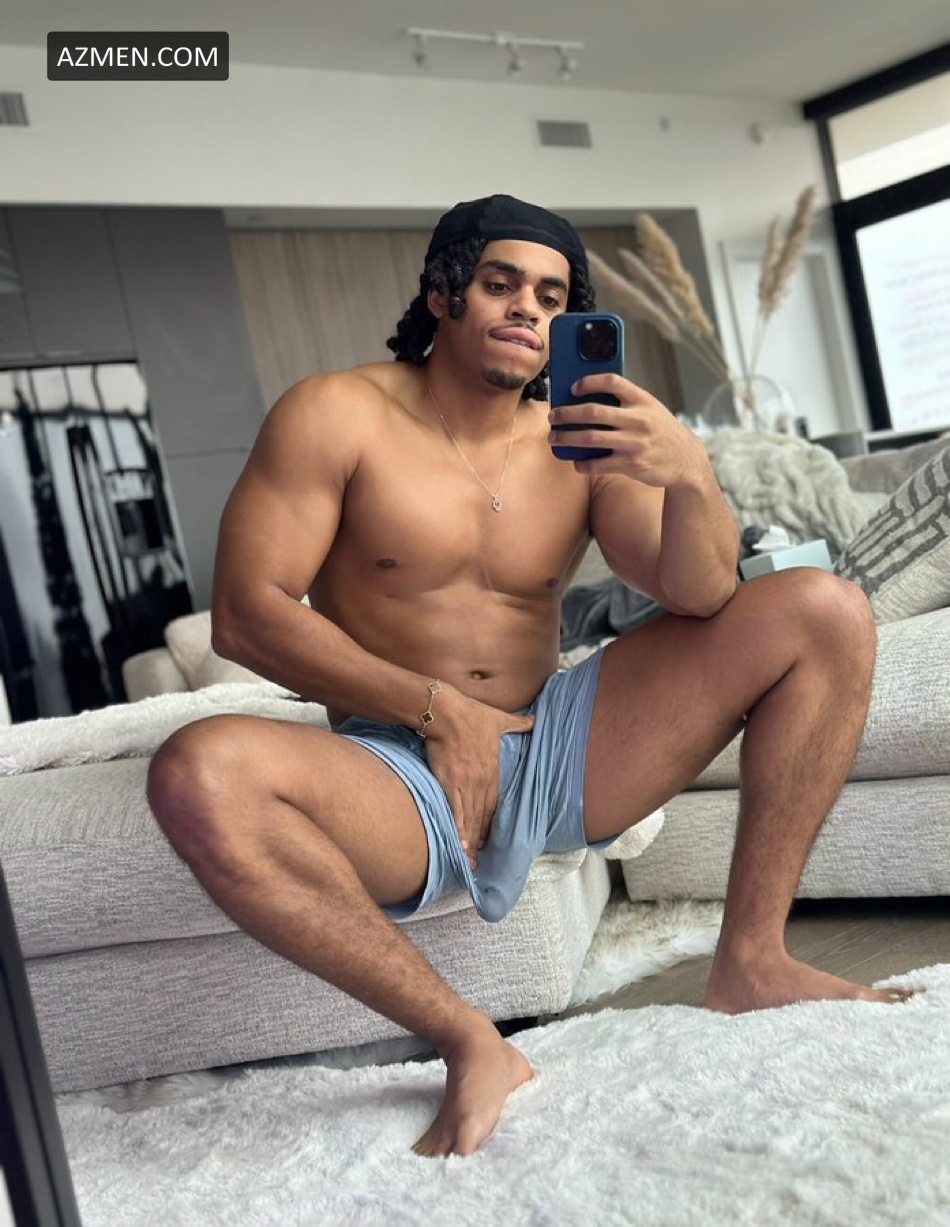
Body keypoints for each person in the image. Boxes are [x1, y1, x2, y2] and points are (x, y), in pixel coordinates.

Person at [147, 193, 910, 1159]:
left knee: (826, 608)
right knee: (199, 771)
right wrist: (440, 710)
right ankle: (469, 1038)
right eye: (501, 284)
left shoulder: (579, 444)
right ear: (443, 294)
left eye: (551, 297)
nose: (528, 310)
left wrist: (689, 472)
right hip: (401, 768)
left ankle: (754, 958)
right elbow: (248, 612)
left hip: (555, 739)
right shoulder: (336, 414)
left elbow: (702, 591)